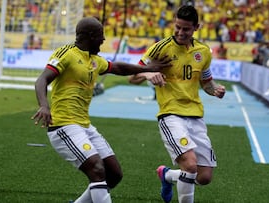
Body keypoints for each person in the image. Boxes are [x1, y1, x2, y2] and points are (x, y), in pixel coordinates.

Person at [31, 17, 171, 203]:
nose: (103, 40)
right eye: (101, 36)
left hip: (85, 126)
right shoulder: (66, 54)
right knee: (96, 170)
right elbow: (42, 80)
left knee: (114, 174)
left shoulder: (94, 59)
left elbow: (118, 68)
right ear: (90, 36)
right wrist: (44, 105)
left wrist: (146, 68)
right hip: (63, 126)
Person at [128, 5, 225, 203]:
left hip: (196, 116)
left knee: (204, 177)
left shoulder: (203, 52)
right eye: (178, 27)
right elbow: (132, 75)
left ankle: (167, 175)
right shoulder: (160, 48)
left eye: (186, 29)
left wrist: (215, 90)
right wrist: (148, 73)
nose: (180, 32)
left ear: (196, 27)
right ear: (174, 22)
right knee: (190, 166)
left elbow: (206, 82)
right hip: (171, 114)